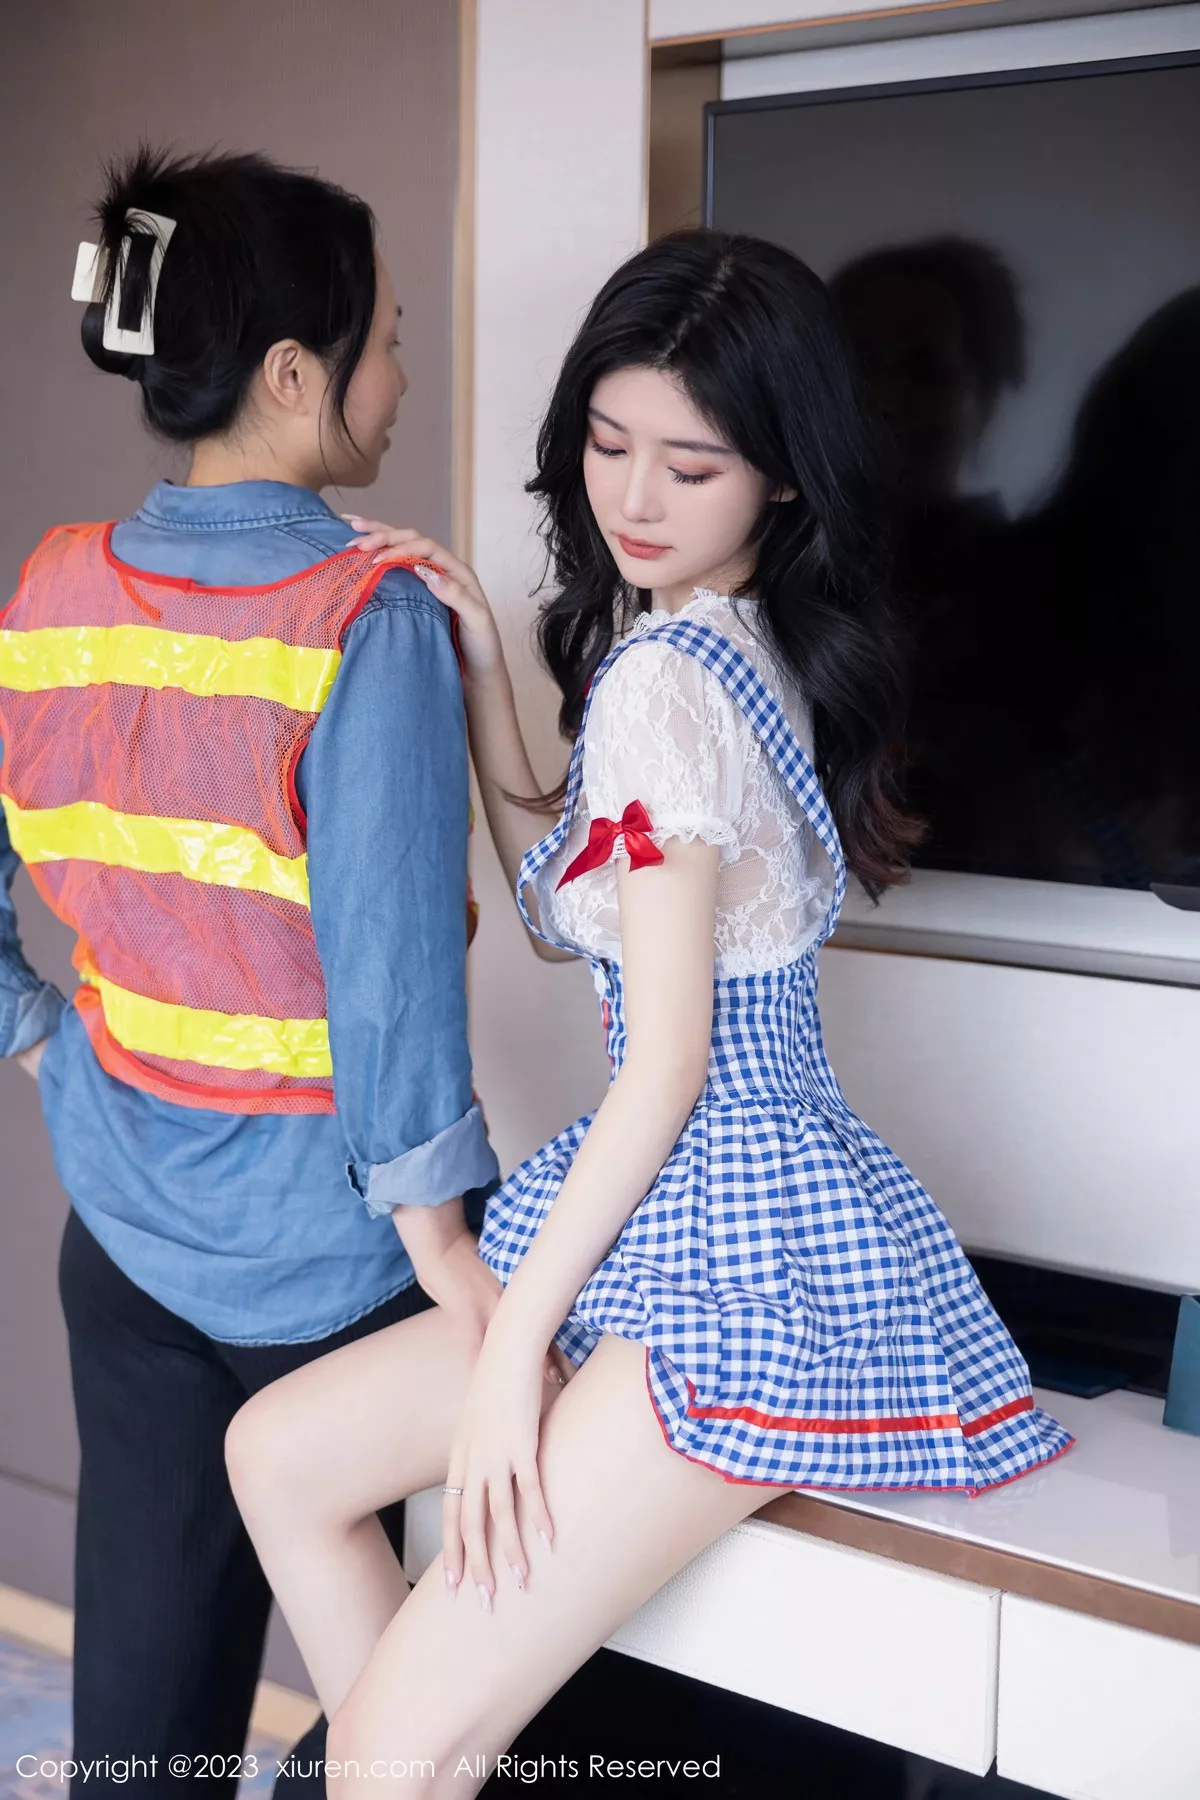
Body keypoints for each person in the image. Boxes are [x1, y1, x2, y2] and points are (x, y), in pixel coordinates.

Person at [225, 229, 1073, 1798]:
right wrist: (492, 678)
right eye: (609, 445)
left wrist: (508, 1359)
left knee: (384, 1749)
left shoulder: (669, 679)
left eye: (691, 466)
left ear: (784, 477)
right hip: (724, 1197)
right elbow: (578, 910)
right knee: (278, 1457)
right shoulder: (726, 650)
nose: (634, 497)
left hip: (722, 1224)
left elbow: (667, 1062)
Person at [0, 145, 538, 1800]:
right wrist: (456, 1261)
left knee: (141, 1739)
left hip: (125, 1234)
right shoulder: (364, 618)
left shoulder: (55, 586)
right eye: (386, 342)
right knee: (421, 1723)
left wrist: (43, 1042)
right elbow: (390, 986)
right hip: (337, 1274)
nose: (400, 377)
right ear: (295, 376)